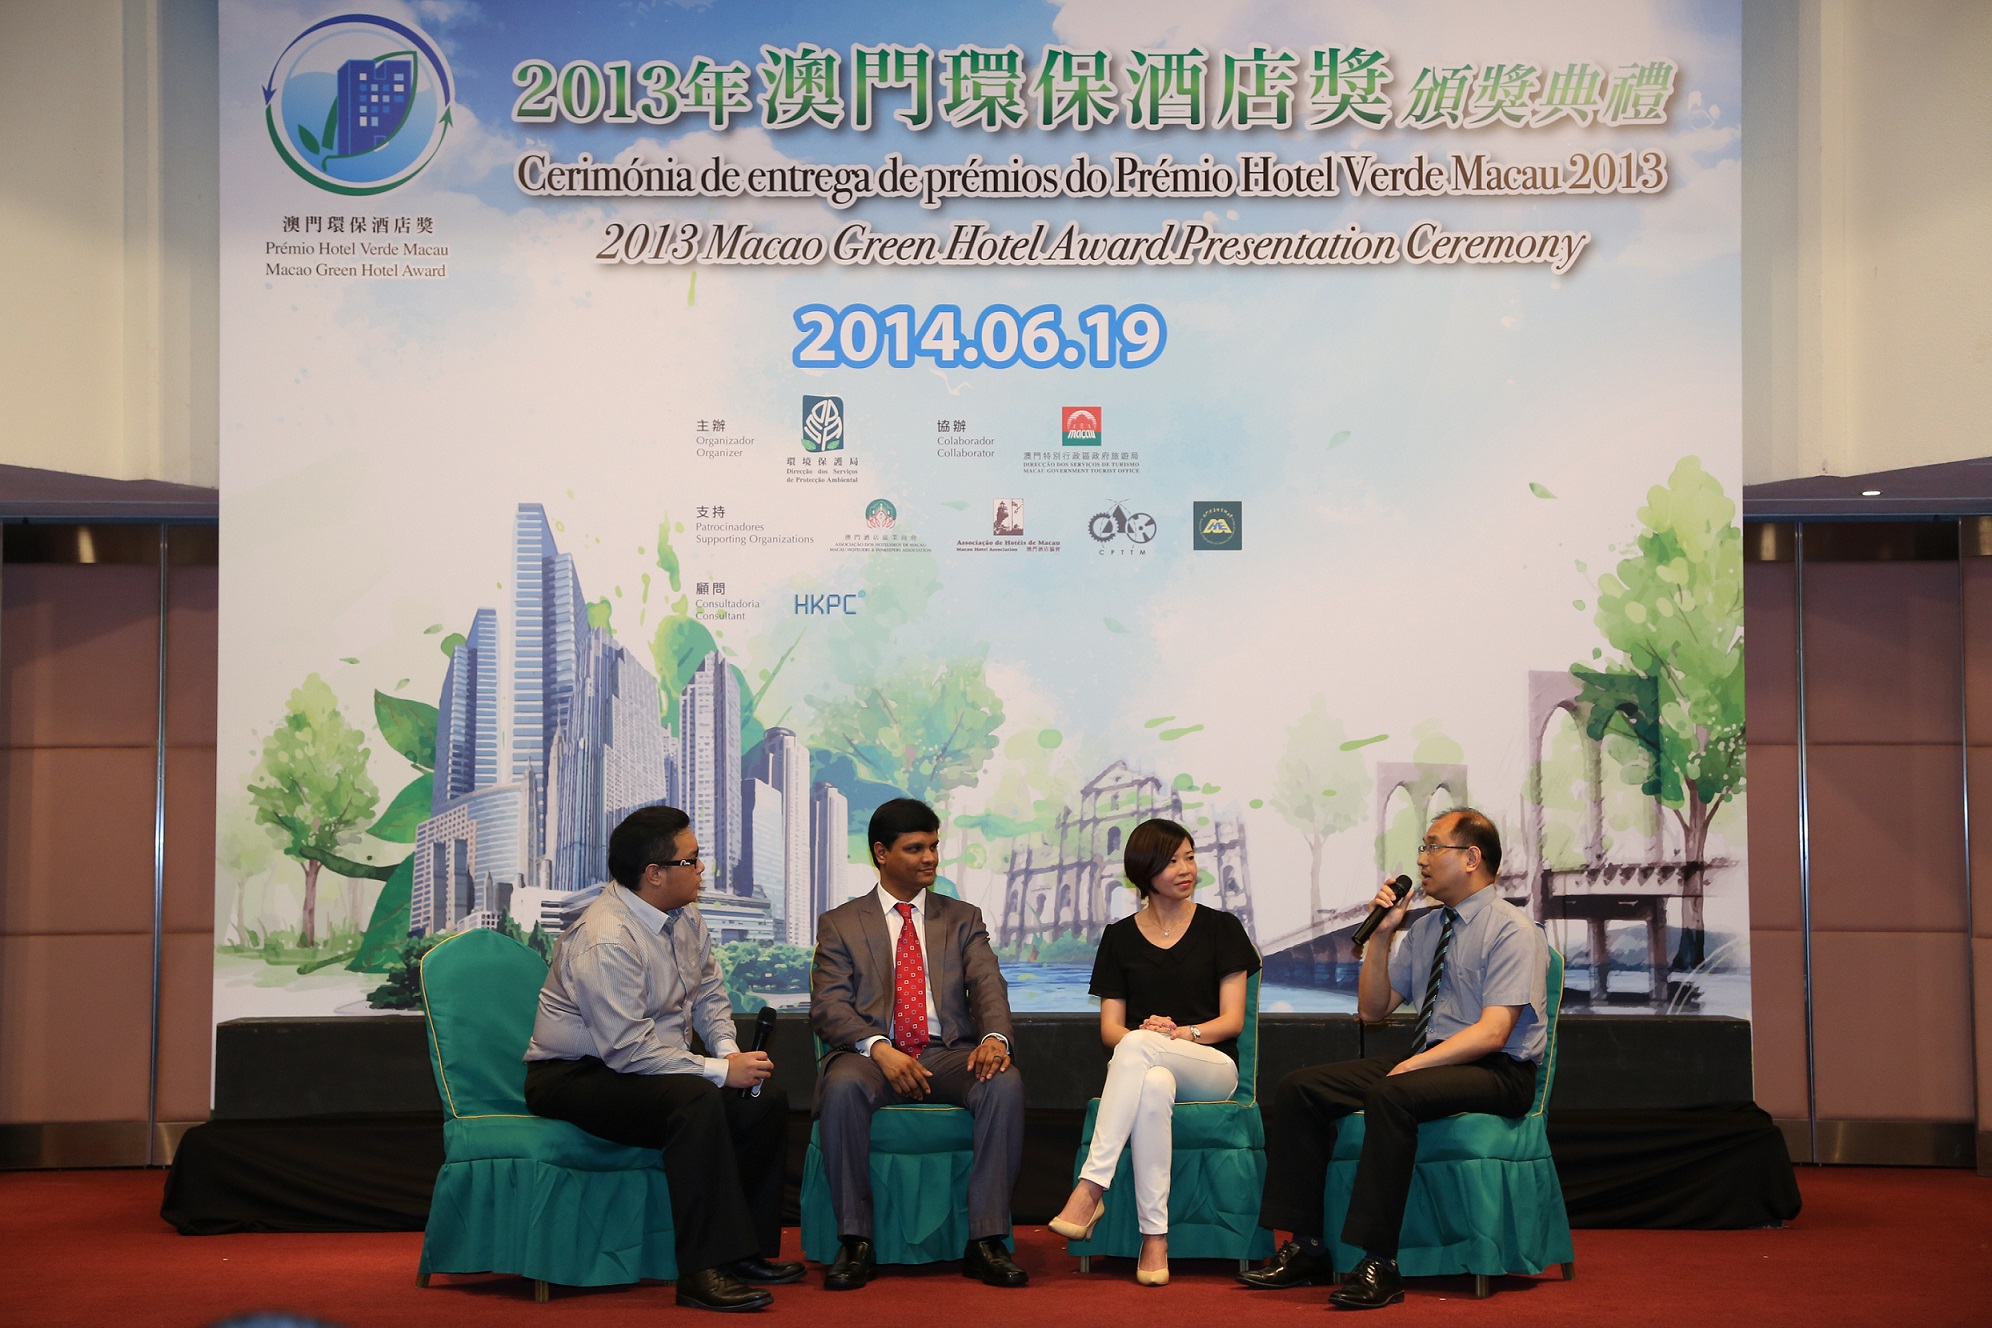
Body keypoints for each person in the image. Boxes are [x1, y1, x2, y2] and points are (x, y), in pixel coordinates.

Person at [1238, 807, 1549, 1310]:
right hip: (1435, 1060)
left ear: (1471, 858)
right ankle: (1308, 1246)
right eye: (1422, 847)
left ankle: (1380, 1263)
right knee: (1301, 1088)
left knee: (1393, 1091)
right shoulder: (1425, 930)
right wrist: (1382, 934)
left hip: (1498, 1072)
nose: (1421, 859)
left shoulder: (1512, 928)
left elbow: (1494, 1033)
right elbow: (1373, 1009)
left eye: (1432, 846)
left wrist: (1414, 1066)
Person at [522, 805, 800, 1313]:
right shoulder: (606, 936)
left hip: (648, 1065)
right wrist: (719, 1072)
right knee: (695, 1100)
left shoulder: (685, 915)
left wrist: (729, 1054)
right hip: (574, 1075)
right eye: (692, 861)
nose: (702, 870)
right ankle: (700, 1272)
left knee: (763, 1098)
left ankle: (744, 1253)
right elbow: (627, 1050)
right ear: (654, 873)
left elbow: (710, 994)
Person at [809, 797, 1028, 1290]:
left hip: (946, 1052)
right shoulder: (841, 922)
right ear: (881, 853)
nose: (930, 857)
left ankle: (986, 1241)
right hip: (871, 1055)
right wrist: (878, 1048)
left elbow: (988, 985)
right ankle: (855, 1240)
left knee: (1003, 1083)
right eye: (915, 848)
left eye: (933, 846)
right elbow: (829, 1006)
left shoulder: (962, 917)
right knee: (841, 1087)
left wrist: (995, 1038)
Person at [1049, 818, 1261, 1286]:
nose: (1186, 869)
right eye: (1171, 861)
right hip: (1147, 1064)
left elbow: (1232, 1021)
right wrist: (1148, 1038)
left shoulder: (1222, 928)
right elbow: (1110, 1029)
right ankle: (1154, 1238)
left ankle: (1091, 1187)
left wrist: (1178, 1034)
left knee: (1141, 1043)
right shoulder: (1119, 937)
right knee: (1153, 1083)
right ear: (1144, 872)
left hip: (1212, 1066)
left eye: (1190, 857)